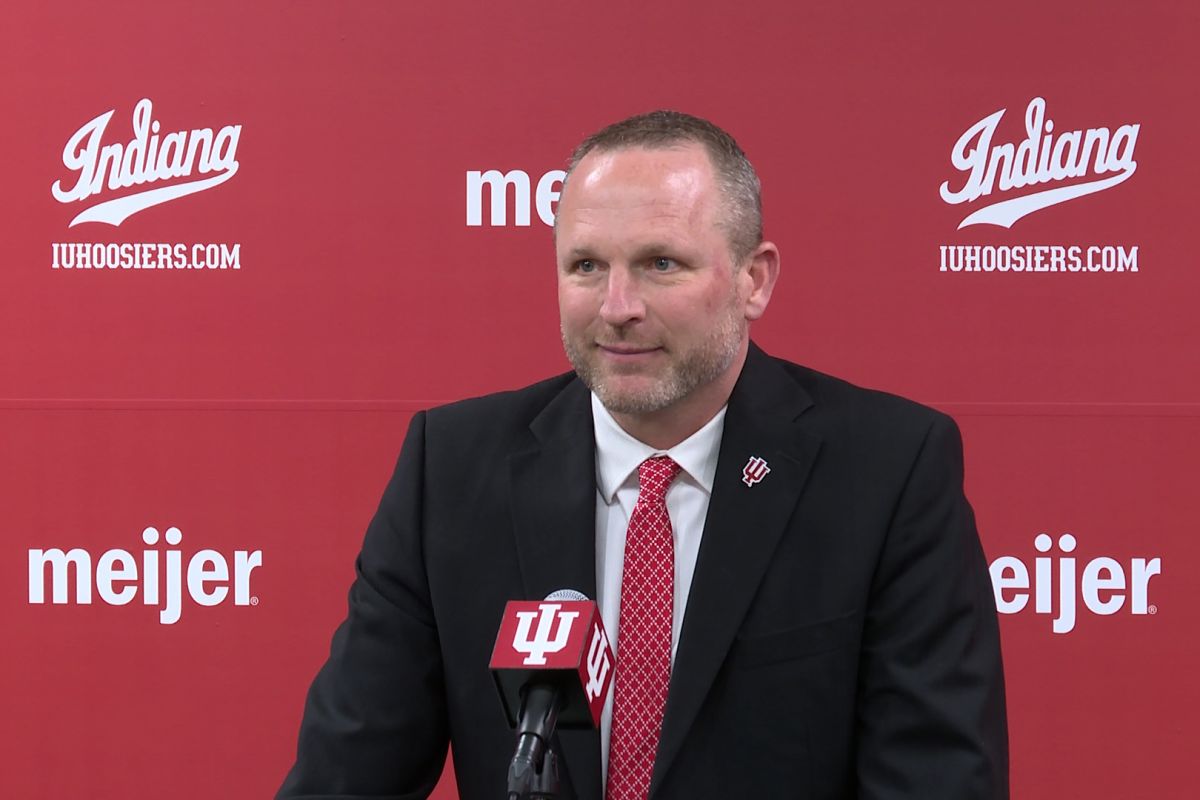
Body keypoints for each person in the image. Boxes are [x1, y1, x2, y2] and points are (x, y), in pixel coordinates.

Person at [278, 110, 1009, 799]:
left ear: (754, 280)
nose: (617, 306)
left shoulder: (887, 471)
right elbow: (348, 772)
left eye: (660, 263)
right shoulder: (450, 469)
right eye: (587, 265)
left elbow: (936, 777)